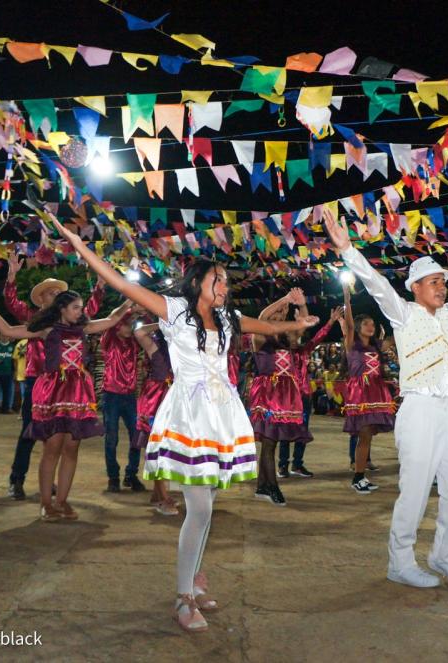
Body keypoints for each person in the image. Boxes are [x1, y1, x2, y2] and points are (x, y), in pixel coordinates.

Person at [52, 216, 317, 632]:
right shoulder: (174, 310)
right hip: (190, 414)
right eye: (219, 280)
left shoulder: (227, 316)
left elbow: (260, 325)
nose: (225, 286)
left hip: (222, 414)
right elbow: (122, 284)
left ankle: (193, 576)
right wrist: (78, 245)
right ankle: (182, 597)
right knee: (198, 508)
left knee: (207, 505)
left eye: (226, 281)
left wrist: (295, 324)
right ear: (197, 283)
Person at [325, 208, 448, 588]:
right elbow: (376, 285)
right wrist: (347, 251)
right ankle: (401, 561)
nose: (442, 287)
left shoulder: (447, 316)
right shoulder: (404, 313)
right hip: (419, 409)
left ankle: (446, 555)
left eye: (443, 281)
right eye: (433, 282)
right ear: (415, 287)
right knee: (416, 489)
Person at [0, 285, 129, 521]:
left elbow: (112, 318)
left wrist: (129, 300)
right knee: (53, 447)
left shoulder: (83, 328)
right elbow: (6, 329)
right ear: (62, 309)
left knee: (71, 448)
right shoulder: (46, 330)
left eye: (80, 307)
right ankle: (46, 503)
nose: (80, 311)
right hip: (54, 390)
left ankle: (62, 501)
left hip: (78, 391)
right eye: (75, 307)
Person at [3, 253, 105, 500]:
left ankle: (50, 487)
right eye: (50, 293)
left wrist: (101, 285)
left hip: (67, 386)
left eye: (56, 293)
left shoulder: (72, 321)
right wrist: (12, 275)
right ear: (40, 299)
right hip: (38, 380)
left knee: (60, 438)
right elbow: (10, 303)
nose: (54, 295)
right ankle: (17, 479)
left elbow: (90, 310)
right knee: (31, 431)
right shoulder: (33, 319)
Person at [249, 288, 317, 506]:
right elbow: (261, 318)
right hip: (268, 393)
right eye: (275, 313)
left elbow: (305, 322)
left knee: (274, 441)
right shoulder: (259, 337)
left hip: (287, 395)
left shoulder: (289, 338)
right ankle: (272, 487)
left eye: (282, 313)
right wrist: (285, 299)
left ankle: (261, 485)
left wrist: (302, 304)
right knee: (269, 442)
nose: (278, 316)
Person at [340, 283, 395, 494]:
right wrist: (347, 298)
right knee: (363, 434)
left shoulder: (376, 346)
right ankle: (358, 476)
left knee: (367, 436)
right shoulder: (352, 344)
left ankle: (361, 474)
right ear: (359, 326)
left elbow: (392, 339)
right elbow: (350, 326)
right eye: (367, 324)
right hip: (360, 392)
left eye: (372, 324)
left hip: (377, 390)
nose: (370, 327)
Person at [278, 300, 340, 480]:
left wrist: (330, 322)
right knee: (284, 432)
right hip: (286, 398)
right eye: (293, 335)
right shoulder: (281, 352)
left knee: (302, 430)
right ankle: (283, 466)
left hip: (304, 397)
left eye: (298, 336)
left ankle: (298, 464)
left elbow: (318, 336)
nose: (296, 338)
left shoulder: (304, 350)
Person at [133, 323, 179, 516]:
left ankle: (157, 493)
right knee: (158, 448)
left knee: (170, 448)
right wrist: (164, 320)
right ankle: (162, 497)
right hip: (157, 399)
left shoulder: (181, 345)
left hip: (176, 397)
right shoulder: (154, 345)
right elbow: (139, 331)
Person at [99, 310, 146, 493]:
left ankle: (131, 475)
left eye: (131, 324)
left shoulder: (134, 342)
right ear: (118, 325)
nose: (130, 327)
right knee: (112, 439)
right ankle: (113, 477)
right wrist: (129, 307)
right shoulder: (109, 338)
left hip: (130, 396)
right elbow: (113, 317)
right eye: (127, 324)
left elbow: (147, 324)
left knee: (136, 437)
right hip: (111, 395)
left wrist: (142, 309)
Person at [12, 338, 28, 414]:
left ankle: (23, 412)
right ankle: (25, 412)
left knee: (24, 394)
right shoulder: (40, 341)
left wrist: (16, 371)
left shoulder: (20, 343)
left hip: (21, 372)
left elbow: (15, 359)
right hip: (34, 373)